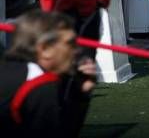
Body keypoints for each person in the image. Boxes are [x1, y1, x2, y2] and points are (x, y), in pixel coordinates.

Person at [0, 10, 96, 138]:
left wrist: (80, 93)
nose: (77, 50)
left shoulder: (9, 69)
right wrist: (80, 97)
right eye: (70, 43)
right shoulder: (41, 85)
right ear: (45, 49)